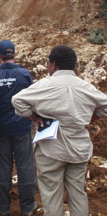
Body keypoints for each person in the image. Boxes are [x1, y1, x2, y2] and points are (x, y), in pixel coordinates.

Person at [11, 45, 107, 216]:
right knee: (78, 193)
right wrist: (88, 119)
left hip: (50, 148)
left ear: (53, 64)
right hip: (79, 148)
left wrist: (34, 117)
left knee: (51, 195)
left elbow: (17, 100)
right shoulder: (85, 86)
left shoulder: (44, 85)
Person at [0, 40, 37, 216]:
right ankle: (28, 207)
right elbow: (33, 100)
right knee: (26, 166)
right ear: (14, 53)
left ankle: (3, 206)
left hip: (1, 130)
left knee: (2, 166)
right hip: (22, 127)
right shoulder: (24, 74)